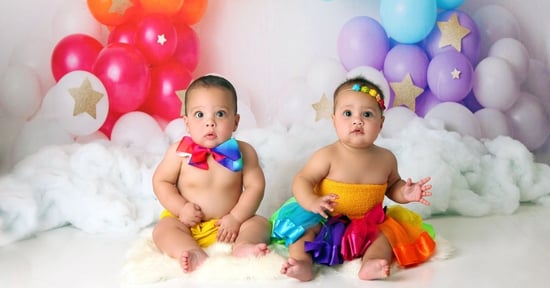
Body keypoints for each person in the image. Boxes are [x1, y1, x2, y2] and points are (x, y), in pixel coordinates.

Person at [271, 76, 436, 281]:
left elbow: (392, 186)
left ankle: (371, 263)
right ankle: (302, 263)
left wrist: (405, 192)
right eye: (348, 113)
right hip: (325, 218)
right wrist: (311, 201)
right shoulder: (327, 155)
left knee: (385, 236)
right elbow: (302, 180)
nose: (357, 121)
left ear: (381, 123)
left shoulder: (386, 158)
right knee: (303, 232)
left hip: (366, 223)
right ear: (334, 120)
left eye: (367, 114)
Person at [152, 74, 271, 273]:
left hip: (228, 225)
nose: (210, 123)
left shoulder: (244, 152)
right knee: (162, 230)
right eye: (200, 115)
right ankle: (191, 251)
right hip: (187, 223)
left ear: (235, 121)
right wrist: (181, 209)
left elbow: (255, 187)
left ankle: (242, 246)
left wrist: (236, 217)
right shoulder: (179, 152)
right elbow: (161, 181)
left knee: (261, 224)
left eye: (220, 114)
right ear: (187, 122)